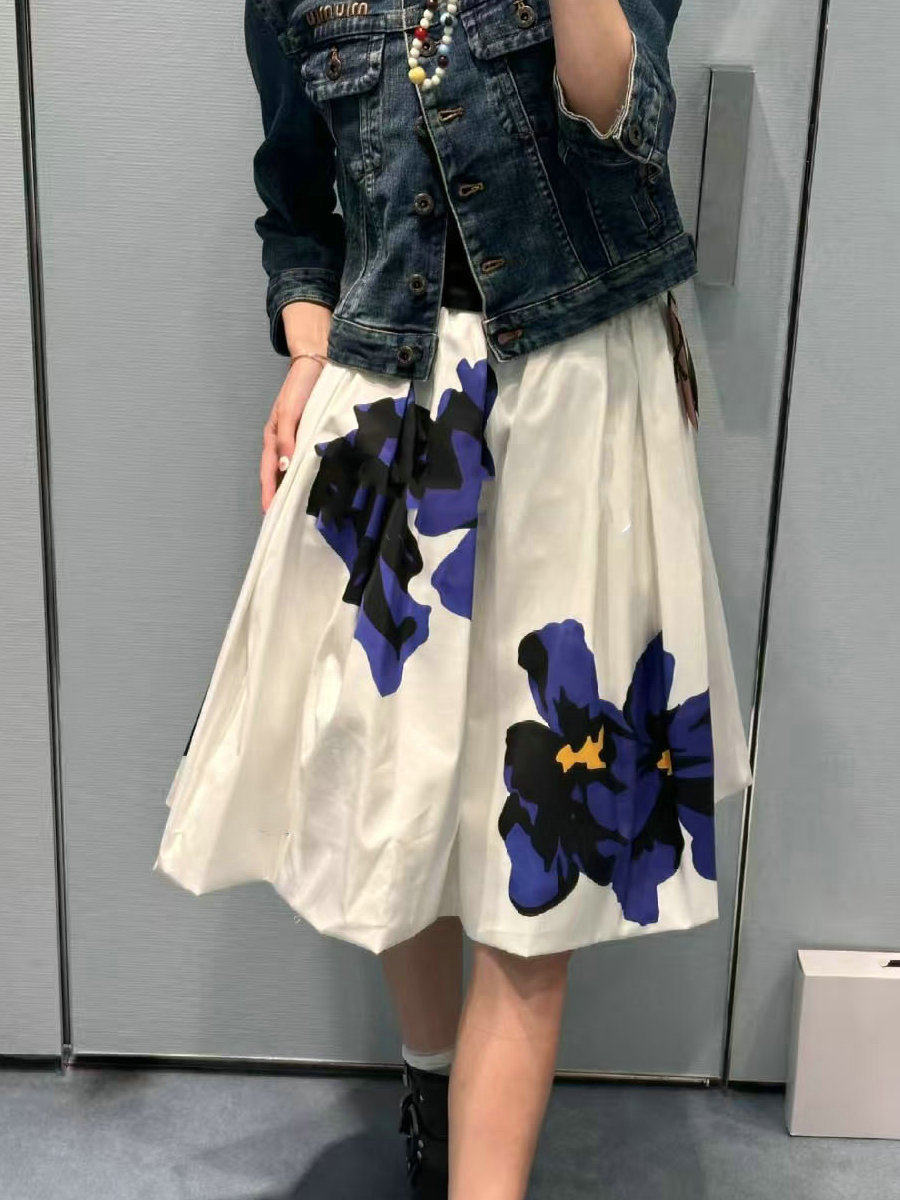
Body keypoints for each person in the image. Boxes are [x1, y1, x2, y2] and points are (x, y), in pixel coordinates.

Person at [152, 0, 754, 1195]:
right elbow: (298, 206)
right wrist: (307, 351)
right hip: (390, 401)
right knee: (398, 792)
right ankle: (431, 1087)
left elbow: (626, 118)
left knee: (549, 826)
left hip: (576, 394)